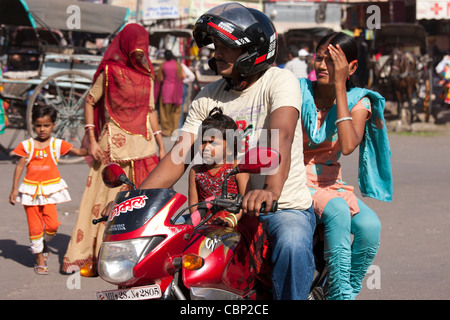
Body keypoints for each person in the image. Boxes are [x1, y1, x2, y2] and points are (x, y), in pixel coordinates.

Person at [140, 3, 315, 300]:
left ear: (253, 51)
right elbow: (179, 155)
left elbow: (281, 136)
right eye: (214, 46)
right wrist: (134, 202)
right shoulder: (207, 96)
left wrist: (270, 190)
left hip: (280, 204)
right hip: (217, 211)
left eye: (225, 47)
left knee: (292, 241)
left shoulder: (278, 81)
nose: (216, 53)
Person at [62, 23, 166, 275]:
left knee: (141, 204)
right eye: (137, 46)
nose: (140, 52)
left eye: (144, 47)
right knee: (102, 204)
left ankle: (133, 258)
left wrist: (162, 146)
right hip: (111, 149)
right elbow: (89, 101)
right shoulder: (109, 72)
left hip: (144, 148)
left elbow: (150, 112)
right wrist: (92, 140)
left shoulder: (147, 76)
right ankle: (94, 256)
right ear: (126, 44)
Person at [300, 32, 393, 299]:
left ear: (350, 67)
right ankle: (339, 296)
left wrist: (340, 88)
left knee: (370, 226)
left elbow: (349, 145)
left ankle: (342, 292)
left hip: (330, 182)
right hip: (296, 177)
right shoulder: (298, 90)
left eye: (331, 61)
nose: (321, 66)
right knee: (338, 210)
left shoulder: (358, 101)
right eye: (318, 58)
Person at [9, 105, 88, 275]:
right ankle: (39, 257)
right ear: (33, 125)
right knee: (35, 228)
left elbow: (80, 151)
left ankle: (42, 244)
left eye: (46, 125)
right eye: (38, 125)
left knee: (51, 226)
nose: (42, 129)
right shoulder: (27, 146)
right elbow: (19, 167)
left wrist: (94, 147)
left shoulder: (57, 144)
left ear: (53, 125)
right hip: (30, 193)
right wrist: (14, 190)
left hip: (50, 192)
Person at [188, 108, 250, 227]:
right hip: (205, 225)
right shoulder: (196, 171)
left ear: (230, 149)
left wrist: (230, 221)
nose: (206, 147)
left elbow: (245, 203)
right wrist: (200, 224)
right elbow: (194, 204)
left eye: (213, 143)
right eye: (203, 142)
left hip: (234, 225)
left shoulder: (237, 168)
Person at [155, 49, 186, 136]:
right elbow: (183, 76)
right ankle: (174, 131)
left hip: (166, 91)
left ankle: (166, 131)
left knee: (165, 112)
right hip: (177, 91)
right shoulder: (178, 65)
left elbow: (160, 78)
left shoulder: (163, 65)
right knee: (176, 112)